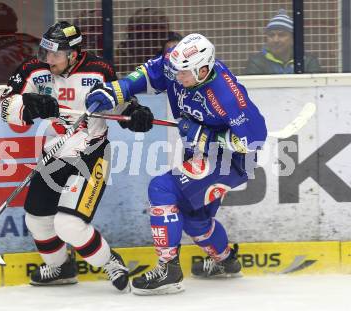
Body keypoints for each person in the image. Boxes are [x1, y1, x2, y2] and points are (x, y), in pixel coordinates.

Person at [86, 33, 267, 295]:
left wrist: (204, 136)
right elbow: (150, 73)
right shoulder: (177, 66)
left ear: (203, 69)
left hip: (229, 161)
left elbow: (253, 142)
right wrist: (114, 91)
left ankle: (168, 268)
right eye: (176, 71)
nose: (176, 78)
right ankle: (225, 260)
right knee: (195, 219)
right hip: (199, 153)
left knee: (162, 188)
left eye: (184, 74)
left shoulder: (227, 96)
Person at [0, 21, 153, 291]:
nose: (48, 59)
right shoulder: (33, 70)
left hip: (92, 153)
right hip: (54, 154)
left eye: (55, 54)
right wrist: (29, 105)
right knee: (36, 219)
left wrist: (135, 114)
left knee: (68, 223)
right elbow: (5, 105)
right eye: (46, 52)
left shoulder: (99, 70)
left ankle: (109, 261)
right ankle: (61, 267)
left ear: (73, 53)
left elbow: (121, 101)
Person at [245, 9, 321, 74]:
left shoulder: (307, 61)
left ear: (293, 38)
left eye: (281, 35)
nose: (276, 40)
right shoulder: (257, 62)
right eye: (271, 35)